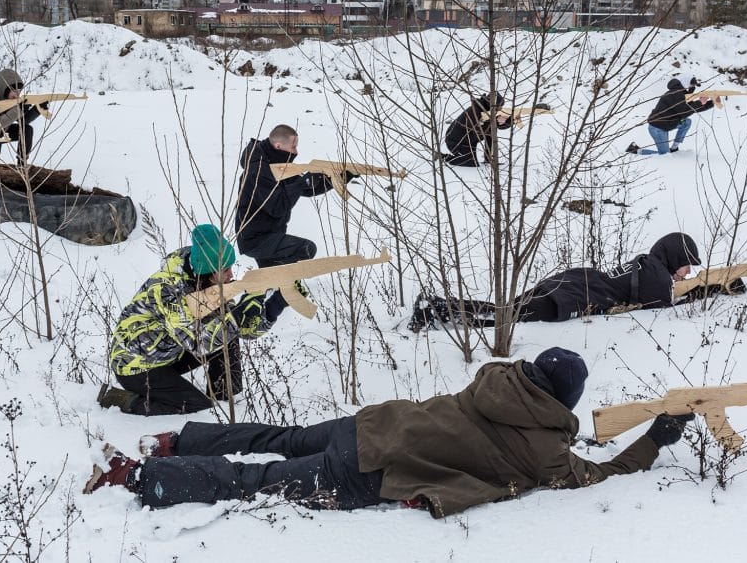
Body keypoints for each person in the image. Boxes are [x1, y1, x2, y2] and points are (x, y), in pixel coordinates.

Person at [83, 347, 694, 518]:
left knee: (278, 439)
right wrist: (655, 438)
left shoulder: (495, 380)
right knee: (260, 482)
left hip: (371, 423)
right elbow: (599, 474)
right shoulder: (544, 452)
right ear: (564, 402)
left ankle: (174, 442)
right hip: (369, 470)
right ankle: (144, 478)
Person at [97, 224, 291, 415]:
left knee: (227, 334)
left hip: (169, 354)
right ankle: (119, 399)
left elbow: (239, 330)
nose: (231, 274)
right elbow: (198, 343)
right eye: (225, 270)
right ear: (208, 270)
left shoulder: (207, 283)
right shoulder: (167, 289)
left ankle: (224, 399)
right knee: (195, 406)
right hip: (135, 364)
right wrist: (238, 315)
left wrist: (276, 303)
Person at [410, 232, 701, 332]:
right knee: (506, 318)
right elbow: (665, 309)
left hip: (571, 281)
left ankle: (439, 306)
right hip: (571, 298)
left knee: (506, 308)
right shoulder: (659, 278)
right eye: (687, 266)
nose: (687, 273)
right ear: (675, 257)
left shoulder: (649, 263)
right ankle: (438, 313)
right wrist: (706, 290)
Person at [235, 124, 349, 272]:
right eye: (293, 147)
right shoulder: (256, 172)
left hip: (271, 236)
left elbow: (308, 189)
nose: (296, 152)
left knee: (272, 283)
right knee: (306, 249)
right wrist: (303, 182)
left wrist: (342, 178)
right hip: (256, 240)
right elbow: (277, 207)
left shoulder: (278, 164)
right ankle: (278, 290)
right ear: (278, 146)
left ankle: (270, 292)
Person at [626, 75, 715, 155]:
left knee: (687, 122)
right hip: (658, 128)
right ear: (686, 84)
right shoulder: (675, 94)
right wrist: (700, 102)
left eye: (693, 86)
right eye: (692, 85)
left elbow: (691, 109)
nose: (693, 87)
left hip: (667, 124)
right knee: (664, 155)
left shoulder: (680, 95)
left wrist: (711, 102)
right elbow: (684, 112)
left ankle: (674, 147)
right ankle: (635, 150)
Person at [441, 91, 512, 167]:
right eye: (497, 107)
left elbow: (497, 128)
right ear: (490, 105)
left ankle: (488, 158)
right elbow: (475, 130)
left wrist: (510, 120)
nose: (499, 109)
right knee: (471, 162)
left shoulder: (489, 114)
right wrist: (493, 120)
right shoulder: (474, 111)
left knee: (491, 132)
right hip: (455, 141)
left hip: (469, 143)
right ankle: (442, 157)